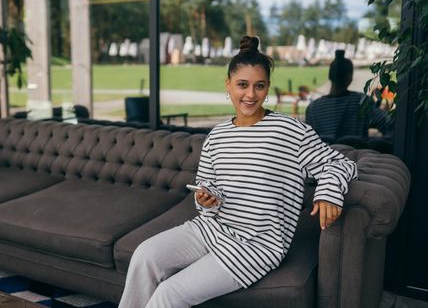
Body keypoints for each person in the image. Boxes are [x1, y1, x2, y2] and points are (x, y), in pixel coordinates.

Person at [118, 36, 357, 308]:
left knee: (169, 293)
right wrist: (207, 200)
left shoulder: (291, 132)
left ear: (267, 89)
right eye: (242, 85)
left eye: (259, 86)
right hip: (211, 229)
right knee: (144, 255)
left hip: (257, 245)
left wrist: (328, 194)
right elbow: (206, 199)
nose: (250, 94)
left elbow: (340, 164)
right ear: (228, 86)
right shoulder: (217, 136)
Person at [305, 50, 391, 140]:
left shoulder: (312, 108)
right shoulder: (361, 102)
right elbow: (388, 123)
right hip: (356, 153)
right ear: (349, 77)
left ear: (330, 76)